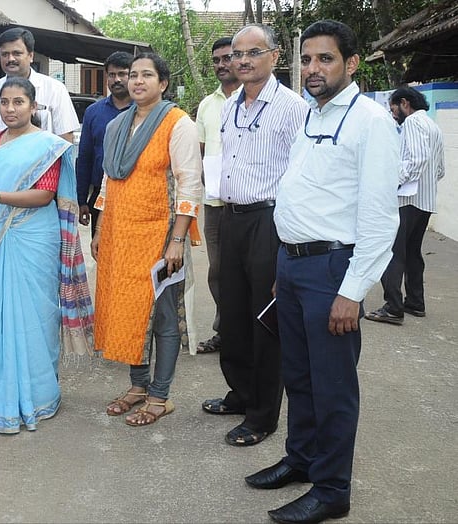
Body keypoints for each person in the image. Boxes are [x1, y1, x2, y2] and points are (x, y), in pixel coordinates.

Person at [245, 20, 400, 524]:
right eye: (307, 59)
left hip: (334, 269)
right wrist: (284, 264)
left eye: (325, 59)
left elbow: (380, 218)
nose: (313, 69)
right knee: (299, 375)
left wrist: (353, 291)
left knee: (333, 385)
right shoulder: (312, 115)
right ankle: (302, 460)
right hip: (293, 265)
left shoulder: (370, 122)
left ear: (350, 64)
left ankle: (333, 489)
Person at [0, 76, 94, 434]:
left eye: (18, 102)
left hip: (34, 237)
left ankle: (40, 396)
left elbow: (43, 196)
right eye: (4, 102)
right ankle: (1, 400)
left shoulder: (47, 146)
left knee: (35, 315)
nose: (10, 109)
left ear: (33, 106)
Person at [201, 24, 308, 446]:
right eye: (236, 54)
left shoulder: (293, 108)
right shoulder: (230, 105)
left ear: (275, 56)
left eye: (253, 52)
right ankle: (240, 393)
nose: (242, 61)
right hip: (231, 217)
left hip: (270, 220)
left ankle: (262, 415)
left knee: (265, 318)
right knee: (233, 312)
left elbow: (303, 174)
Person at [92, 52, 202, 427]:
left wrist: (177, 240)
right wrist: (100, 228)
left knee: (163, 316)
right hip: (121, 235)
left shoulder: (178, 123)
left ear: (163, 83)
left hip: (160, 234)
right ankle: (138, 387)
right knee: (128, 310)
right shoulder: (117, 125)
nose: (137, 81)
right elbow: (108, 180)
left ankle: (160, 396)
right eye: (133, 75)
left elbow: (189, 184)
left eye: (146, 75)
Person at [0, 27, 79, 228]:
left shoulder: (54, 89)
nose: (10, 59)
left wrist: (64, 193)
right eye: (5, 54)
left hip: (42, 193)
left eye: (17, 53)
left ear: (31, 55)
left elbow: (65, 142)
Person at [365, 86, 445, 325]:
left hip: (406, 200)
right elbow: (440, 169)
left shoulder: (412, 123)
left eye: (394, 109)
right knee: (412, 252)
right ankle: (415, 302)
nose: (393, 115)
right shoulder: (433, 126)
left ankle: (393, 307)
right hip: (425, 201)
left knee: (392, 252)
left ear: (404, 103)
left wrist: (393, 181)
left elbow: (416, 160)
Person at [194, 37, 241, 355]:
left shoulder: (253, 98)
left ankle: (252, 334)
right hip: (214, 204)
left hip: (250, 204)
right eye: (216, 60)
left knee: (251, 271)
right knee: (219, 271)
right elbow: (198, 151)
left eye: (228, 58)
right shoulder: (207, 105)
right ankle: (226, 331)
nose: (222, 64)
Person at [76, 51, 132, 235]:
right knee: (100, 246)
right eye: (112, 75)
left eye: (122, 74)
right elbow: (85, 157)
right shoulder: (94, 112)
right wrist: (82, 199)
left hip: (136, 193)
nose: (117, 80)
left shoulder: (145, 111)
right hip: (100, 194)